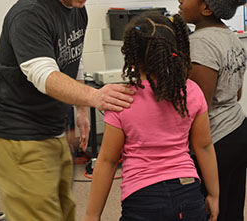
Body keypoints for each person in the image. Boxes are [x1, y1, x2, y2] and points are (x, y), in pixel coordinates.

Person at [0, 0, 134, 221]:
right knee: (36, 215)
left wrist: (82, 109)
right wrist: (95, 97)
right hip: (22, 136)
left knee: (63, 211)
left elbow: (73, 58)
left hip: (54, 130)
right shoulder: (30, 14)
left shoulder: (76, 10)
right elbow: (44, 75)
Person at [82, 13, 219, 221]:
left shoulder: (121, 99)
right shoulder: (190, 92)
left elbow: (108, 161)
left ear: (131, 55)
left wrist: (92, 215)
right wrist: (214, 194)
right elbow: (204, 147)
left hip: (143, 198)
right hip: (188, 192)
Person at [178, 0, 247, 221]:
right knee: (232, 206)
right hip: (238, 130)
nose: (180, 0)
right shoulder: (231, 37)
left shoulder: (200, 44)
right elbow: (237, 93)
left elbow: (199, 107)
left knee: (209, 209)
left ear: (206, 8)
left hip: (216, 141)